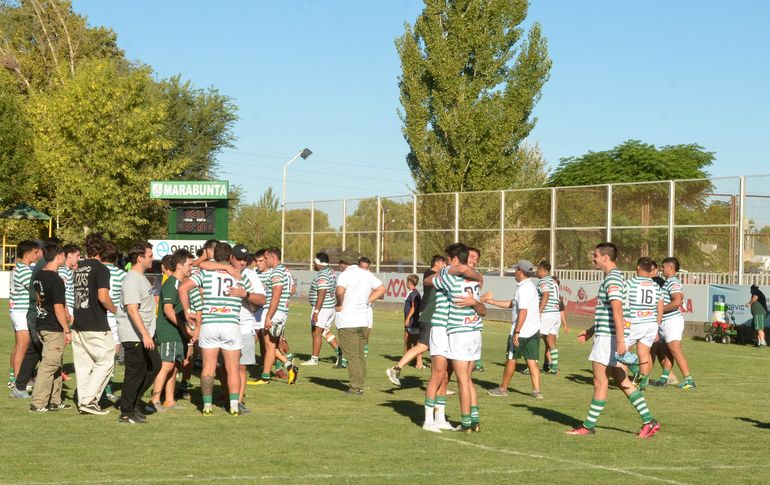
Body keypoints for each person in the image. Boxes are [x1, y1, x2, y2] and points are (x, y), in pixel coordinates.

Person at [567, 242, 660, 438]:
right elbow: (611, 311)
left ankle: (588, 425)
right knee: (622, 380)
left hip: (609, 339)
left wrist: (619, 341)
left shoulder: (614, 280)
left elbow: (618, 309)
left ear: (605, 258)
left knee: (600, 382)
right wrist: (592, 330)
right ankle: (649, 421)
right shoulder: (614, 278)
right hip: (607, 335)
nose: (593, 258)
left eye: (596, 255)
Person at [179, 242, 262, 415]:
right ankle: (233, 405)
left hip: (209, 323)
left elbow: (183, 287)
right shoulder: (239, 276)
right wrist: (244, 294)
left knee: (208, 367)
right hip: (231, 324)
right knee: (233, 368)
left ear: (214, 256)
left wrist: (187, 311)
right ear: (230, 257)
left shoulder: (205, 273)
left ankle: (207, 406)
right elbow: (260, 299)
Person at [422, 246, 482, 432]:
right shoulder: (448, 274)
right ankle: (428, 420)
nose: (446, 263)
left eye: (447, 260)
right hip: (440, 328)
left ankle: (440, 418)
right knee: (438, 374)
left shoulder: (458, 279)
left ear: (454, 258)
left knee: (446, 377)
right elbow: (427, 280)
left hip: (452, 329)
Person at [72, 233, 118, 416]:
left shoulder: (79, 268)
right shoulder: (101, 269)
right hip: (96, 323)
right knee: (106, 361)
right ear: (102, 249)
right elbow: (103, 297)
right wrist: (118, 311)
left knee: (83, 365)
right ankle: (90, 400)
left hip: (79, 322)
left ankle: (84, 400)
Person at [115, 242, 161, 424]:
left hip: (143, 335)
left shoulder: (141, 278)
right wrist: (145, 335)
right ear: (140, 258)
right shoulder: (132, 279)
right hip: (134, 335)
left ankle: (132, 403)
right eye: (150, 256)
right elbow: (132, 310)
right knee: (135, 373)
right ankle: (126, 412)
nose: (153, 258)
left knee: (154, 366)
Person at [486, 260, 543, 399]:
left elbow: (523, 312)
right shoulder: (530, 287)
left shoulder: (523, 289)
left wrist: (517, 332)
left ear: (520, 271)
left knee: (511, 359)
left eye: (516, 269)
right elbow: (512, 304)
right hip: (533, 330)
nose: (515, 272)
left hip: (521, 332)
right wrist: (491, 302)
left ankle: (503, 388)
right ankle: (537, 391)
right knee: (532, 361)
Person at [386, 255, 446, 386]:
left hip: (434, 315)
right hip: (431, 315)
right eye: (444, 263)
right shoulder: (431, 274)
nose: (445, 266)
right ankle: (397, 368)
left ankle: (439, 385)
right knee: (425, 346)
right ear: (437, 263)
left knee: (433, 349)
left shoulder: (438, 276)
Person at [148, 249, 194, 413]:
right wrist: (183, 327)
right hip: (169, 332)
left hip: (177, 333)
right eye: (189, 264)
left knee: (174, 367)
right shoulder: (172, 284)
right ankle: (154, 400)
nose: (191, 268)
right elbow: (168, 310)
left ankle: (169, 400)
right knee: (166, 366)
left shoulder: (180, 284)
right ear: (180, 266)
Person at [335, 249, 385, 395]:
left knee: (351, 356)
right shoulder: (366, 274)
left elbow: (339, 291)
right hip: (363, 320)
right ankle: (360, 383)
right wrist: (367, 301)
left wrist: (339, 304)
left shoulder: (344, 275)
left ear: (343, 263)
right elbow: (381, 289)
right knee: (360, 354)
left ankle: (356, 387)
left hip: (347, 320)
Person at [29, 242, 72, 412]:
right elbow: (58, 308)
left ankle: (55, 400)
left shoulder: (39, 274)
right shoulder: (56, 279)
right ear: (58, 256)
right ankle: (38, 402)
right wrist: (67, 329)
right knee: (49, 365)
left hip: (41, 323)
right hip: (52, 327)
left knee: (56, 364)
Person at [252, 247, 298, 385]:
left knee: (269, 345)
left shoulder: (276, 272)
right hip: (282, 311)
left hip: (274, 311)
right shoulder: (285, 271)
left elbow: (276, 295)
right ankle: (288, 367)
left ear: (272, 258)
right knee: (271, 345)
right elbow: (290, 290)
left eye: (266, 258)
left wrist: (268, 316)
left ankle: (265, 377)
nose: (264, 261)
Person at [621, 257, 664, 391]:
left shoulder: (629, 283)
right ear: (651, 269)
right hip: (651, 324)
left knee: (622, 352)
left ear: (638, 267)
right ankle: (640, 383)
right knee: (644, 354)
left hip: (634, 323)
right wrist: (657, 326)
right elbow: (660, 308)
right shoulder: (656, 286)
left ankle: (631, 379)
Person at [651, 257, 692, 388]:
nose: (661, 269)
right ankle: (664, 378)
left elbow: (677, 301)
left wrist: (660, 310)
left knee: (675, 350)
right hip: (666, 321)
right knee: (667, 351)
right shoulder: (669, 282)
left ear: (670, 267)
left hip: (672, 320)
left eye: (663, 267)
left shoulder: (673, 282)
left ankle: (689, 380)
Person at [8, 240, 40, 396]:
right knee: (23, 346)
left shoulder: (17, 268)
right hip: (21, 311)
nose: (38, 255)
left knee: (18, 346)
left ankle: (15, 378)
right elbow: (34, 290)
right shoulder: (25, 270)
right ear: (28, 254)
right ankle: (20, 382)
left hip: (16, 310)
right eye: (36, 252)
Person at [303, 252, 343, 366]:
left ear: (317, 263)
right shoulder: (330, 271)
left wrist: (316, 311)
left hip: (323, 308)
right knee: (324, 331)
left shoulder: (322, 275)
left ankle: (314, 359)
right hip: (329, 306)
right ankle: (340, 354)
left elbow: (322, 292)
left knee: (316, 333)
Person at [102, 241, 126, 400]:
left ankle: (97, 387)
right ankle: (107, 387)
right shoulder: (122, 275)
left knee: (96, 356)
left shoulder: (92, 271)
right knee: (112, 356)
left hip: (95, 318)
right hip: (113, 318)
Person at [536, 261, 561, 374]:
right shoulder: (553, 281)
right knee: (550, 341)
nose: (536, 272)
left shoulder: (543, 281)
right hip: (556, 313)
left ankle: (532, 366)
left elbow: (545, 294)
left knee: (534, 338)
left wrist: (539, 311)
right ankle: (552, 367)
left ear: (541, 269)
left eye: (537, 270)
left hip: (547, 313)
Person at [402, 274, 422, 362]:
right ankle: (407, 359)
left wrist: (408, 319)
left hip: (413, 321)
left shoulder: (414, 293)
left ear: (409, 282)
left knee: (415, 341)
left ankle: (418, 361)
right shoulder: (411, 293)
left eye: (407, 281)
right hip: (410, 321)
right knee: (407, 339)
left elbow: (414, 307)